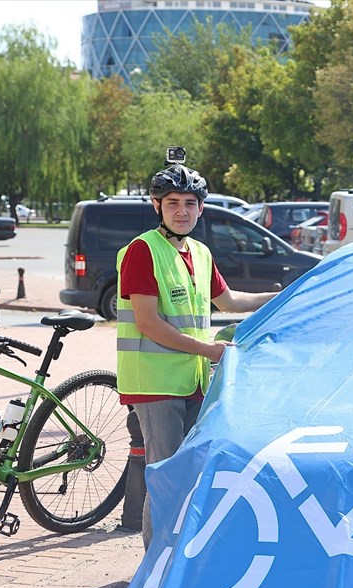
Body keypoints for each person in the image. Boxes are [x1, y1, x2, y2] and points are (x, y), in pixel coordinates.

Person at [116, 163, 278, 548]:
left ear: (201, 209)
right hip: (154, 384)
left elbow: (232, 300)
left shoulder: (200, 253)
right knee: (166, 476)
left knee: (187, 475)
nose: (182, 211)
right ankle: (155, 570)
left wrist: (285, 296)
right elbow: (148, 323)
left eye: (191, 203)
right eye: (173, 203)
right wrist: (208, 350)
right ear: (157, 205)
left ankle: (175, 562)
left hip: (192, 382)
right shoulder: (142, 250)